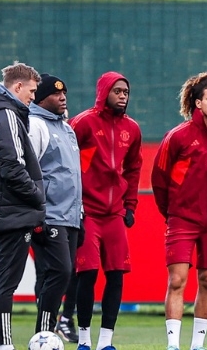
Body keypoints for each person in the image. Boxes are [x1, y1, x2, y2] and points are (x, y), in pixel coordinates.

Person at [155, 72, 207, 350]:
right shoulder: (177, 137)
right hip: (181, 219)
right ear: (197, 103)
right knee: (177, 280)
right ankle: (173, 345)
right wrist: (172, 212)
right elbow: (160, 178)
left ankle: (197, 345)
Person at [70, 72, 142, 350]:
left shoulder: (132, 129)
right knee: (86, 274)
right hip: (87, 212)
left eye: (126, 92)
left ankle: (105, 342)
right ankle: (84, 340)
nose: (123, 96)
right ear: (103, 92)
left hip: (114, 215)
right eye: (117, 91)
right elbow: (68, 164)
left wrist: (130, 205)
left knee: (116, 274)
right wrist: (75, 205)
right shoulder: (83, 123)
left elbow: (134, 169)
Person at [0, 62, 44, 350]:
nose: (32, 97)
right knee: (6, 282)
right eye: (31, 90)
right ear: (18, 87)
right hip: (13, 212)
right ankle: (4, 344)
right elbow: (13, 167)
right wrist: (37, 196)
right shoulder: (7, 115)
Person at [27, 75, 84, 335]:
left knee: (63, 273)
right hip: (49, 215)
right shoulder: (35, 124)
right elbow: (28, 171)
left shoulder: (67, 128)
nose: (63, 98)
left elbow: (72, 175)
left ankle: (45, 331)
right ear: (40, 98)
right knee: (60, 272)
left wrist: (79, 214)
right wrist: (38, 213)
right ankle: (45, 331)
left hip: (69, 216)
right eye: (55, 93)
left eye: (64, 93)